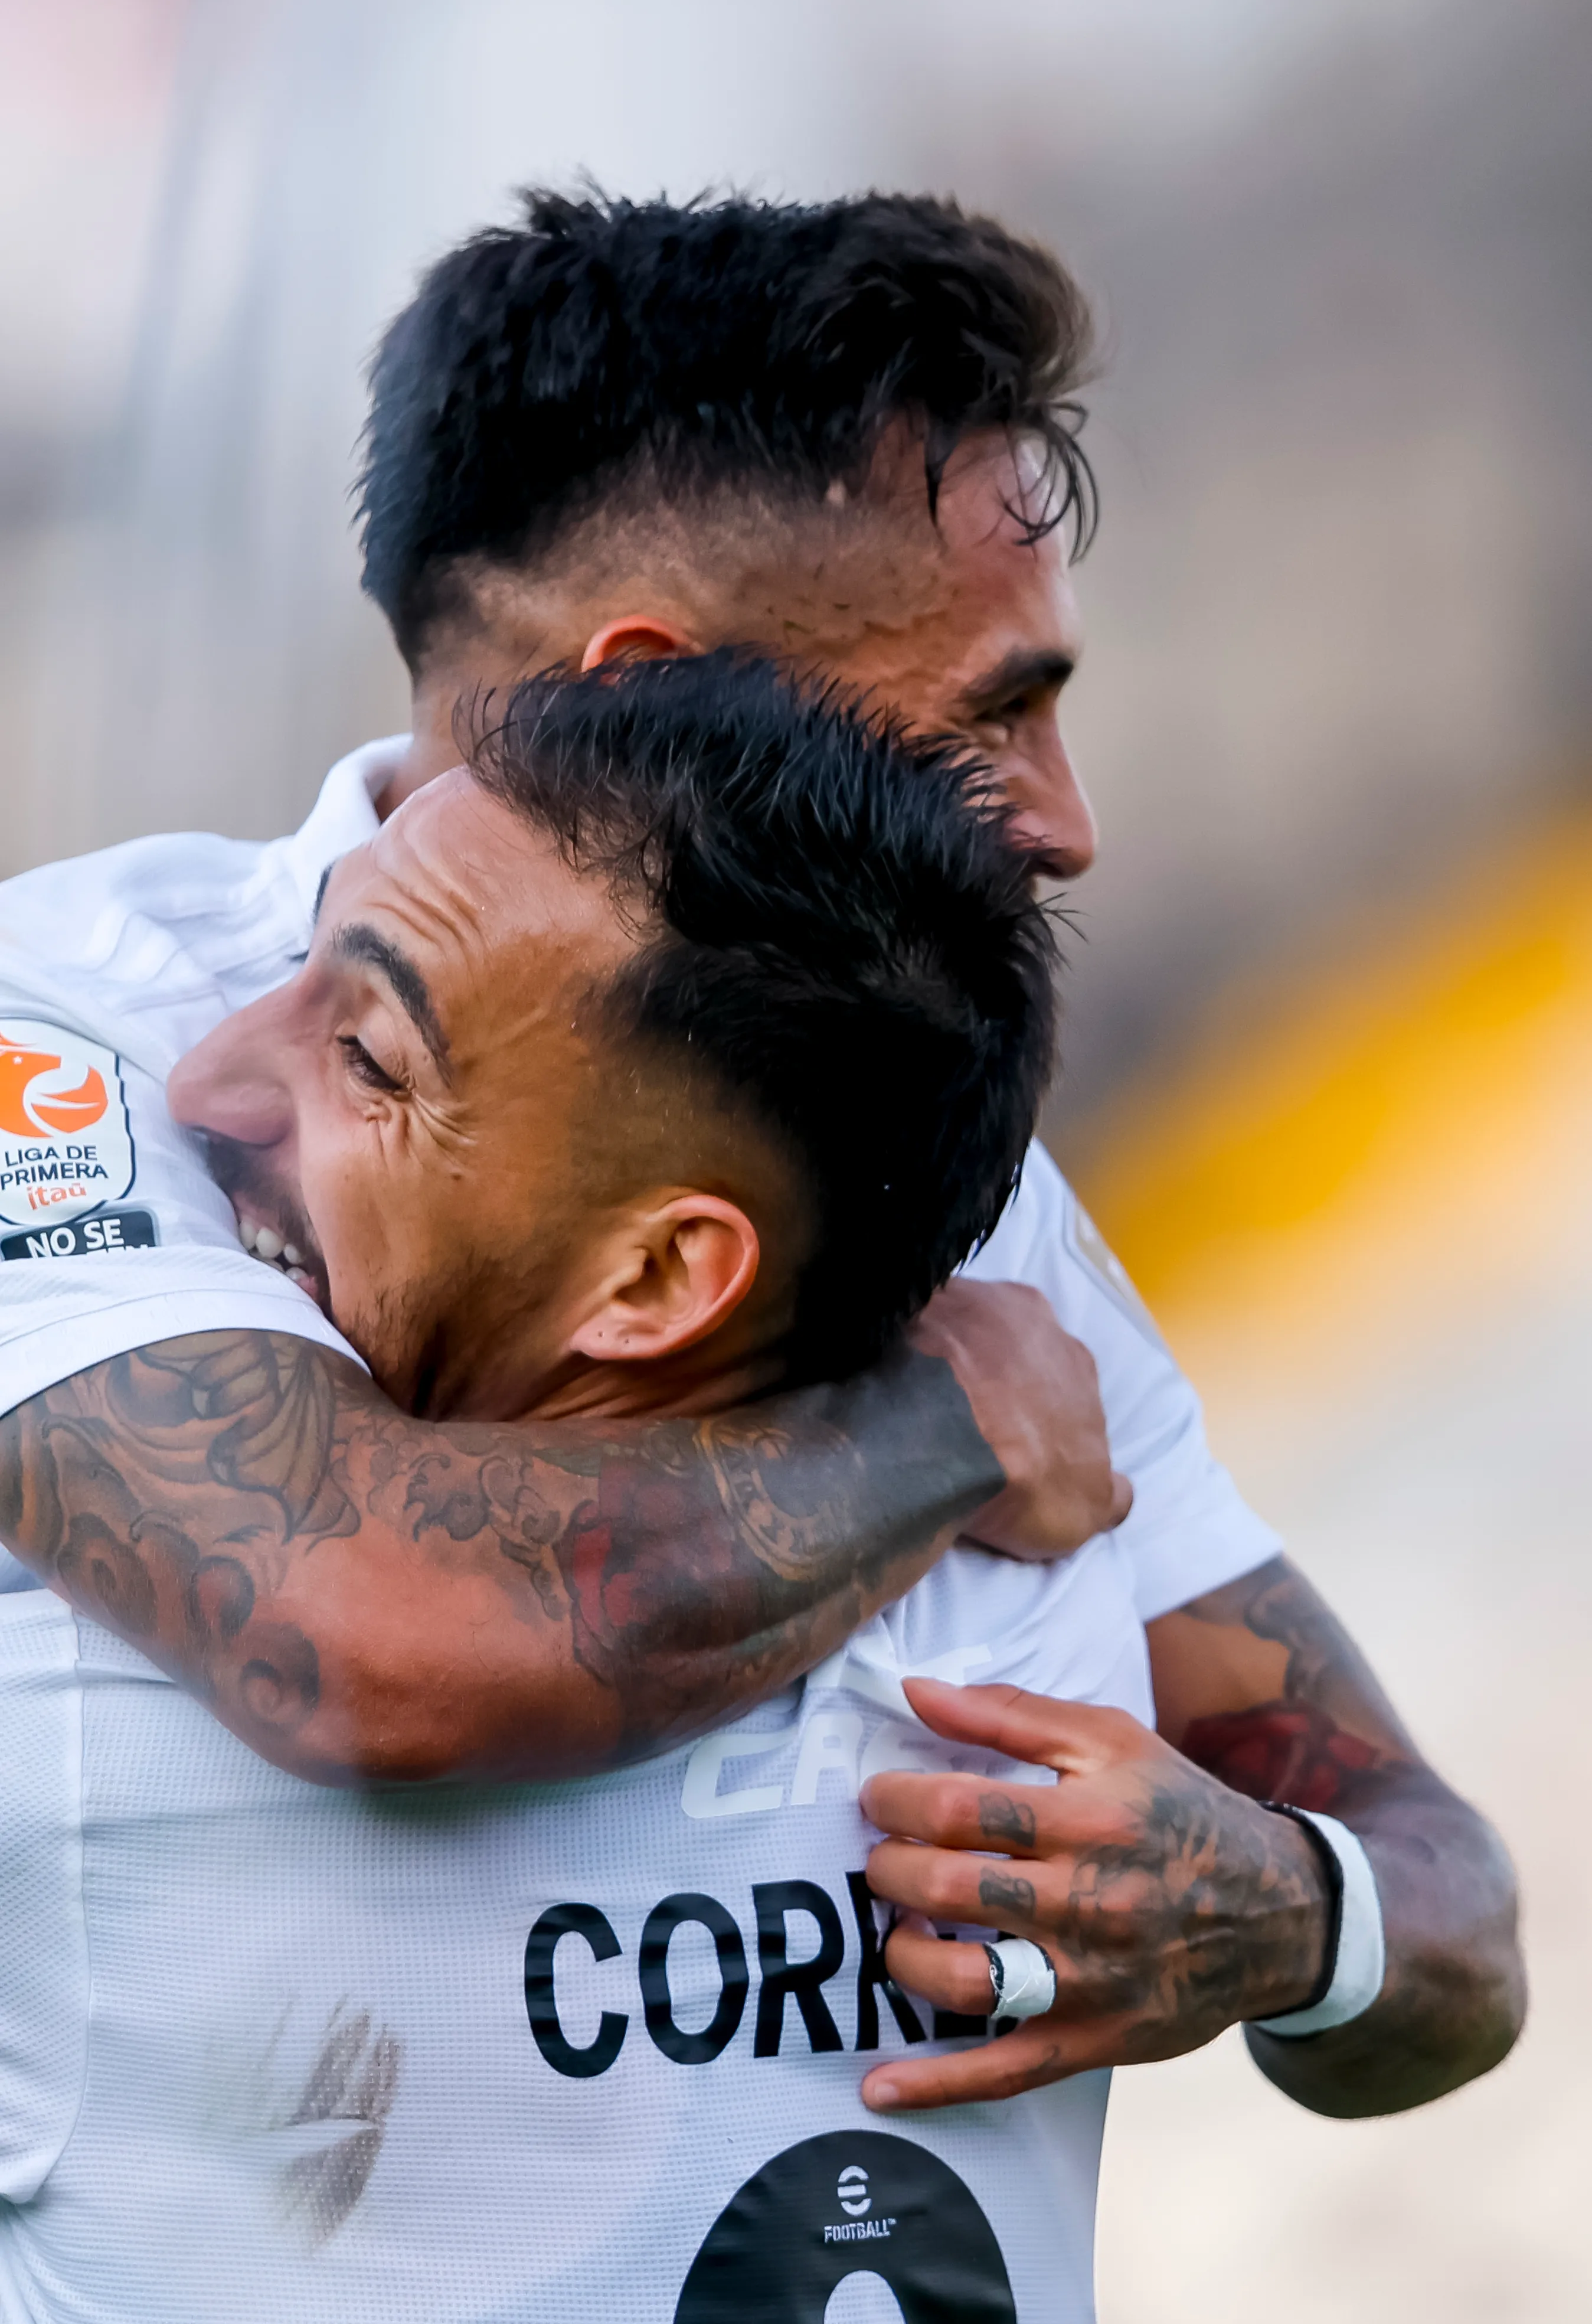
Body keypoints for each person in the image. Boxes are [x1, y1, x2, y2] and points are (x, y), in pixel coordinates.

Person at [0, 192, 1521, 2128]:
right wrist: (943, 1427)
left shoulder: (934, 1139)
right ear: (641, 687)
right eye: (987, 721)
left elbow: (1448, 1914)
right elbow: (373, 1640)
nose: (1059, 825)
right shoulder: (64, 1033)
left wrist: (1305, 1920)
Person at [0, 657, 1150, 2322]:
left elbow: (377, 1631)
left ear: (660, 1275)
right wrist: (1319, 1934)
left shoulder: (94, 1714)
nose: (211, 1087)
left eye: (370, 1060)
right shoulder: (1054, 1635)